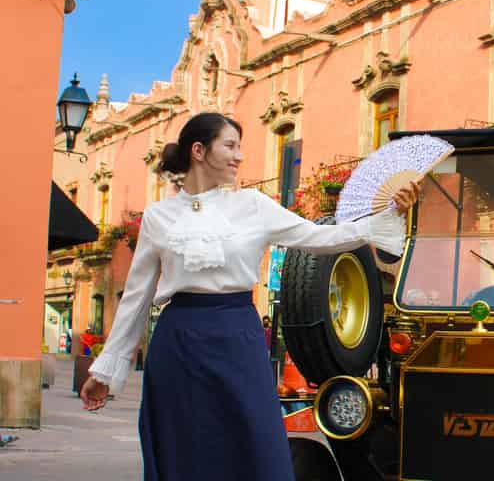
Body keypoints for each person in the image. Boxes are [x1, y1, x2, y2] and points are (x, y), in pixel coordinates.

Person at [79, 112, 418, 480]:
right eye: (230, 145)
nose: (239, 156)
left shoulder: (254, 206)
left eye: (240, 146)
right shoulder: (159, 217)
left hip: (237, 337)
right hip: (178, 345)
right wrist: (106, 371)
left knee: (256, 443)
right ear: (198, 150)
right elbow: (137, 298)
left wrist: (388, 213)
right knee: (183, 446)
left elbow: (320, 239)